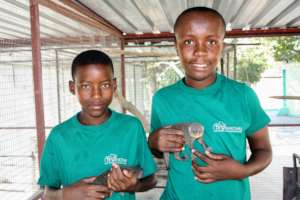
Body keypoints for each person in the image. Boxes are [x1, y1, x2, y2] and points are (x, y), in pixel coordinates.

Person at [148, 7, 272, 200]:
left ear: (222, 45)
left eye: (211, 42)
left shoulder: (243, 95)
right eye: (189, 41)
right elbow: (158, 149)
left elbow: (264, 151)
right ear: (176, 45)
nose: (200, 51)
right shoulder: (162, 99)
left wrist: (240, 171)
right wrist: (153, 141)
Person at [38, 50, 157, 200]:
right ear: (72, 87)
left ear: (114, 86)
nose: (96, 95)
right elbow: (46, 193)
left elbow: (152, 178)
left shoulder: (131, 128)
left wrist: (133, 185)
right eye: (86, 86)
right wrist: (65, 194)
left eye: (105, 85)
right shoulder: (59, 137)